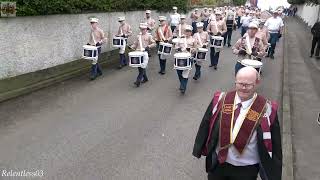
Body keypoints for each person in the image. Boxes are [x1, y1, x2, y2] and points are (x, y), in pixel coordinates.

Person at [192, 66, 282, 180]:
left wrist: (275, 174)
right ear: (235, 81)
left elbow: (276, 143)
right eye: (240, 83)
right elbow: (206, 123)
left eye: (248, 85)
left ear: (257, 83)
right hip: (219, 163)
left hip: (246, 169)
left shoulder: (268, 109)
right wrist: (198, 148)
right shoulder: (221, 99)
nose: (243, 88)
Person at [130, 23, 156, 87]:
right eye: (141, 29)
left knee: (142, 67)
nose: (142, 30)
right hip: (138, 53)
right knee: (140, 67)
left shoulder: (149, 36)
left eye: (143, 29)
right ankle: (145, 78)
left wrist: (149, 46)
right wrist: (131, 47)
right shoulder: (138, 36)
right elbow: (135, 44)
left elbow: (154, 43)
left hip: (144, 53)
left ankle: (138, 81)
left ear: (146, 29)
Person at [175, 25, 197, 94]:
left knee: (185, 73)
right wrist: (177, 48)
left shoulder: (193, 40)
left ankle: (183, 87)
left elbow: (196, 49)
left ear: (191, 32)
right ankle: (182, 83)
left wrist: (191, 50)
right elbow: (175, 46)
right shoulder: (180, 39)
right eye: (186, 31)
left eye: (189, 31)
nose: (187, 32)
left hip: (189, 58)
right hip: (180, 58)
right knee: (179, 72)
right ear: (185, 31)